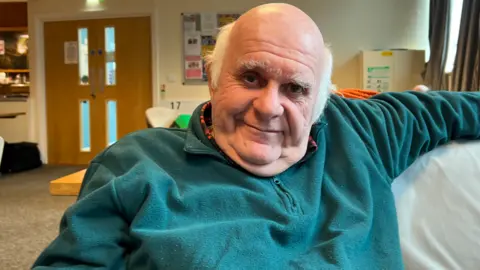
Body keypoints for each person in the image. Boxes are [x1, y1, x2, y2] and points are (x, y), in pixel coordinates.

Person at [33, 3, 479, 269]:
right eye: (250, 77)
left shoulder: (363, 130)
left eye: (295, 89)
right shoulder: (136, 162)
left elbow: (461, 107)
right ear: (213, 79)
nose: (269, 106)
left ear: (322, 100)